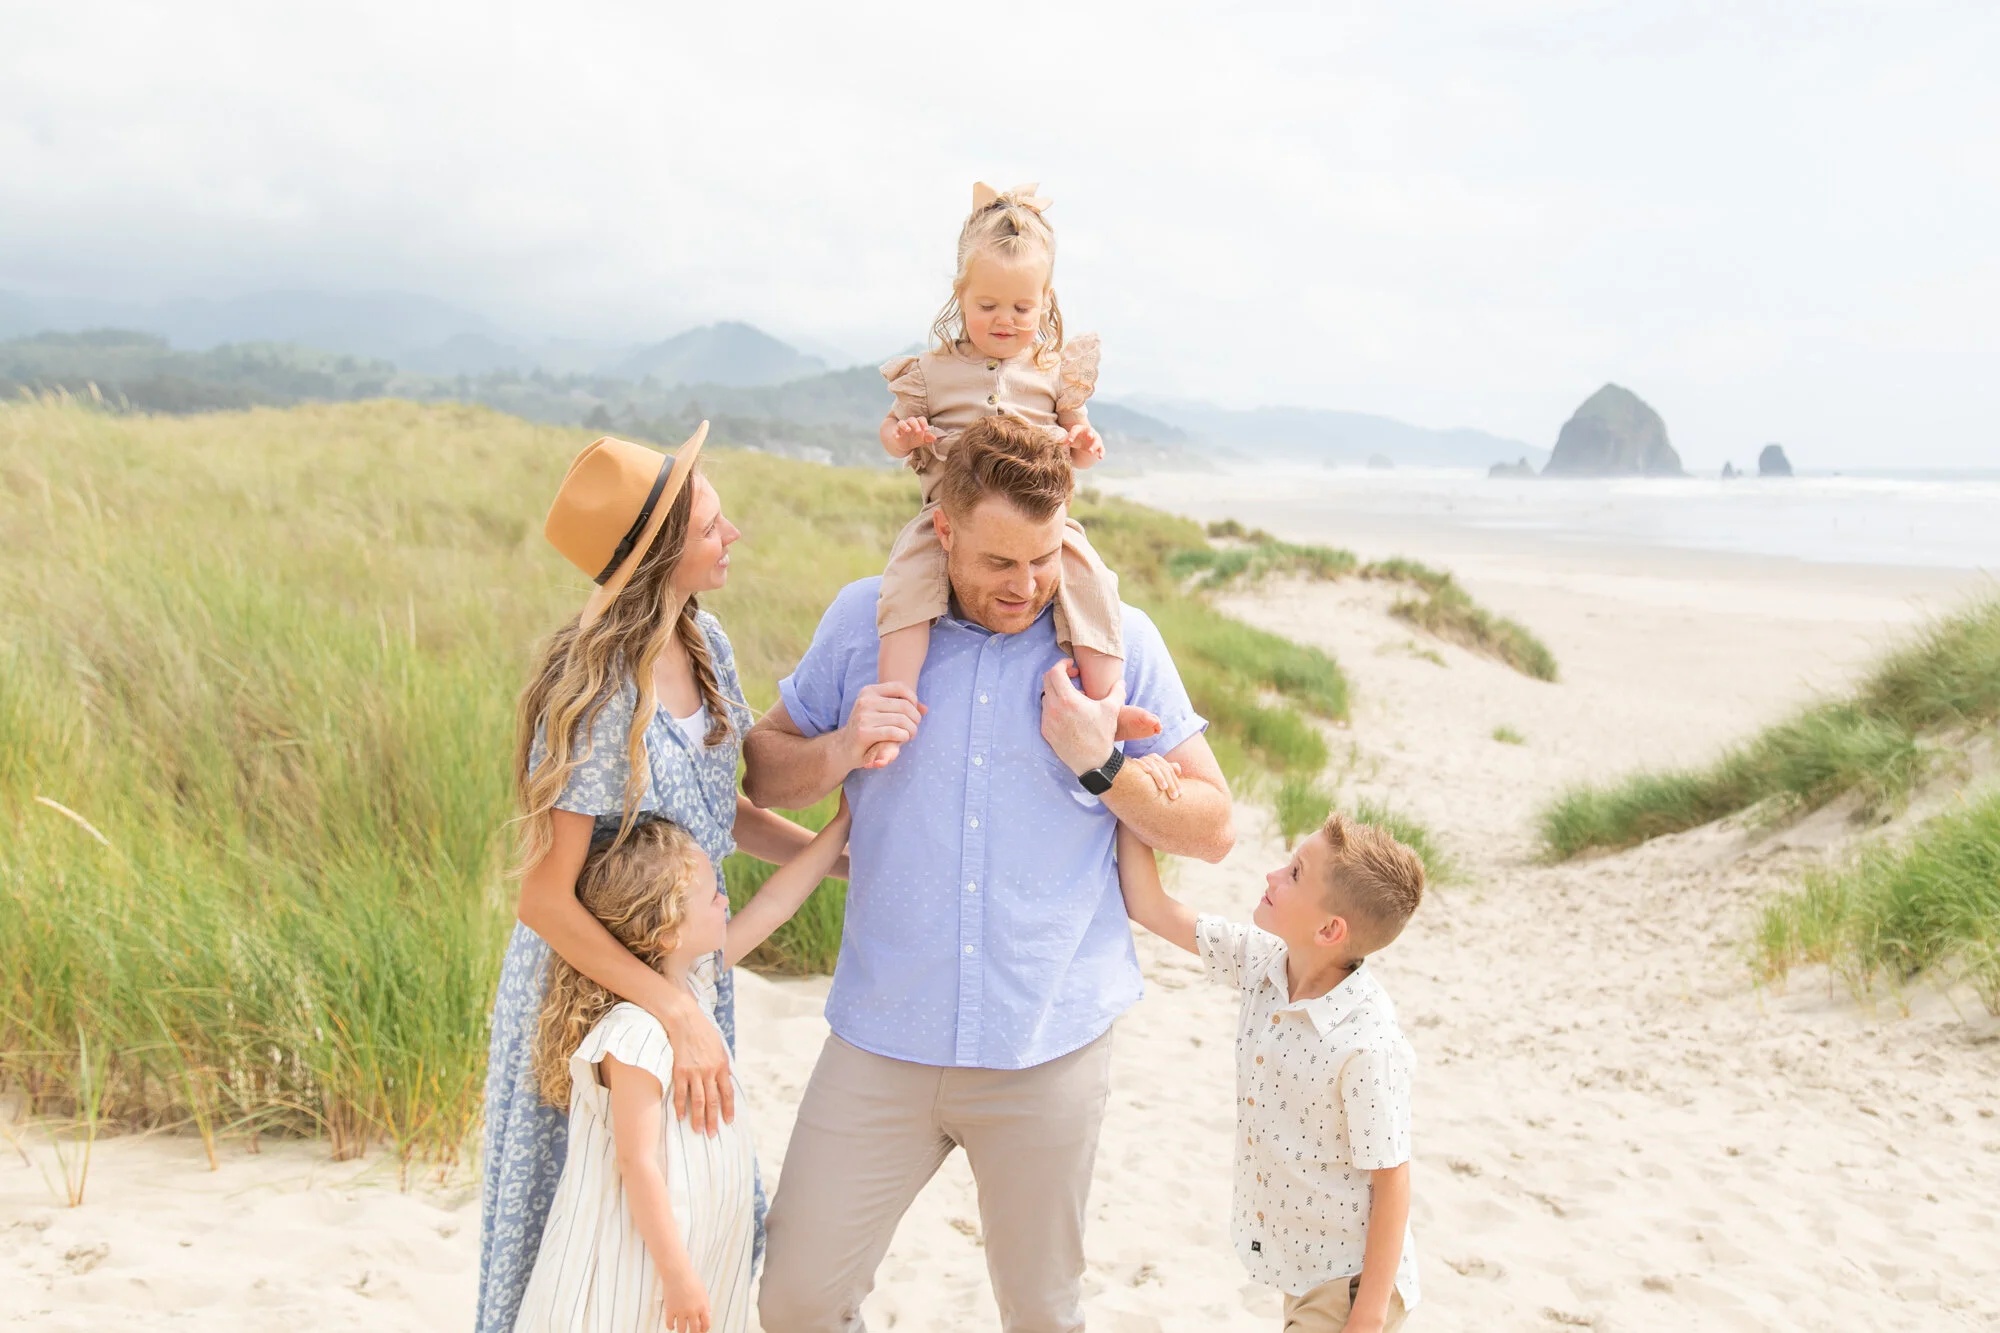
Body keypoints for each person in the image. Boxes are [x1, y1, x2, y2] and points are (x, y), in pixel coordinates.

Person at [743, 417, 1237, 1333]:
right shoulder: (866, 620)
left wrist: (1105, 767)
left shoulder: (1118, 641)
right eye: (999, 561)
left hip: (1047, 1042)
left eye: (1044, 557)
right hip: (883, 1034)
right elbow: (762, 765)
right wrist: (845, 745)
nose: (1026, 585)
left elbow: (1214, 827)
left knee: (1042, 1318)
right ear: (943, 530)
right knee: (796, 1301)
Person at [478, 427, 838, 1333]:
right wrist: (674, 1010)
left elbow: (718, 818)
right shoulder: (596, 685)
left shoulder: (706, 643)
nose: (734, 535)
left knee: (689, 1219)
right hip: (594, 996)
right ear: (657, 554)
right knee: (577, 1241)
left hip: (679, 977)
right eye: (714, 524)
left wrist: (837, 852)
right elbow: (543, 898)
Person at [514, 799, 852, 1333]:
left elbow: (777, 903)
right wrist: (678, 1278)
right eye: (712, 894)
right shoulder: (635, 1034)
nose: (726, 901)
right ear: (666, 929)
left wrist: (844, 822)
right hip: (637, 1272)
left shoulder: (695, 987)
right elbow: (637, 1163)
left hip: (694, 1255)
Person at [867, 180, 1155, 768]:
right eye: (988, 306)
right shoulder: (931, 372)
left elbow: (1078, 446)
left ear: (1045, 302)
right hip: (947, 515)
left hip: (1038, 525)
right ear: (960, 297)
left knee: (1090, 580)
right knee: (907, 579)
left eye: (1022, 308)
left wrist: (1083, 441)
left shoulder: (1051, 374)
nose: (1005, 320)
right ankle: (896, 699)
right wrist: (907, 437)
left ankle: (1106, 702)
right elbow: (892, 432)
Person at [1116, 810, 1427, 1333]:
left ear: (1330, 929)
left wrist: (1368, 1316)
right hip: (1301, 1268)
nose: (1272, 877)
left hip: (1350, 1283)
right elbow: (1149, 905)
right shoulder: (1265, 964)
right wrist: (1121, 784)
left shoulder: (1366, 1043)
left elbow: (1392, 1181)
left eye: (1295, 874)